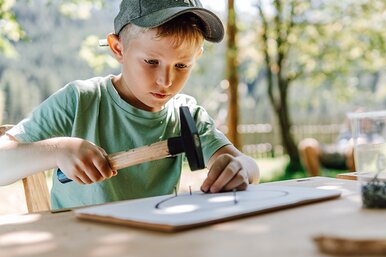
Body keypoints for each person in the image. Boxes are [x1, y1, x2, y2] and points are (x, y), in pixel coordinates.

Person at [0, 0, 259, 210]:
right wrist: (57, 150)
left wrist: (242, 169)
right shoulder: (79, 101)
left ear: (197, 57)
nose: (165, 81)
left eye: (182, 65)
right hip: (77, 247)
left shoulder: (187, 113)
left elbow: (248, 167)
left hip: (155, 245)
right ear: (118, 48)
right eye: (151, 62)